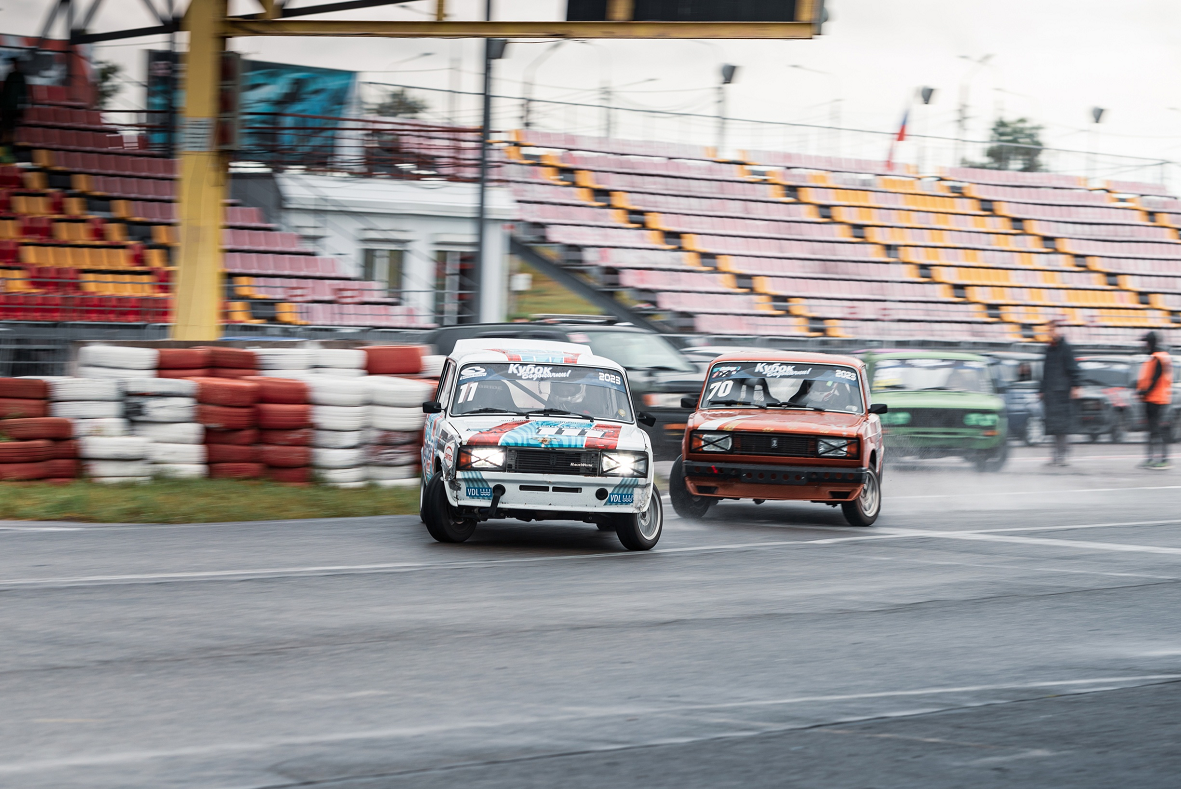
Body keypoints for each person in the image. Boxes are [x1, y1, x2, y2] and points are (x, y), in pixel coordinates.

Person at [1039, 319, 1081, 466]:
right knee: (1053, 427)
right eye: (1048, 330)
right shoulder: (1049, 349)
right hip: (1051, 394)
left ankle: (1062, 455)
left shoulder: (1065, 348)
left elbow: (1074, 369)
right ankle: (1055, 456)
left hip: (1062, 394)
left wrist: (1076, 386)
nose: (1049, 333)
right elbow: (1045, 372)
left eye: (1052, 330)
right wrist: (1041, 390)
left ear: (1059, 330)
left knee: (1062, 427)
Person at [1136, 331, 1173, 469]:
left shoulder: (1158, 358)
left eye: (1146, 342)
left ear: (1151, 343)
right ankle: (1152, 459)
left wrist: (1143, 392)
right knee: (1153, 430)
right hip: (1156, 398)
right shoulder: (1160, 357)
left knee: (1156, 430)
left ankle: (1162, 460)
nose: (1144, 345)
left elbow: (1154, 379)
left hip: (1155, 399)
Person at [0, 57, 28, 164]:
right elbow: (4, 92)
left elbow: (23, 94)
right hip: (6, 107)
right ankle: (3, 152)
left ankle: (8, 153)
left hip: (14, 109)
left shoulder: (21, 77)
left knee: (11, 132)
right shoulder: (10, 75)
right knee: (4, 130)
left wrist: (22, 109)